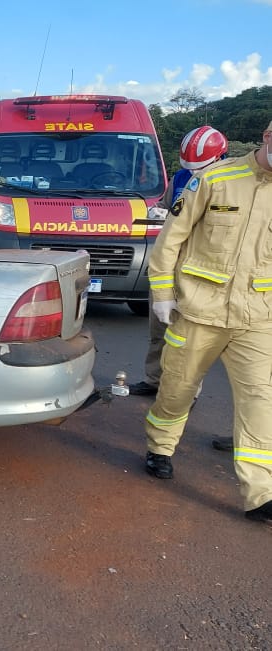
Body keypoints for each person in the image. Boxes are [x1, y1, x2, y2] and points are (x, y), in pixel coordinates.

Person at [142, 119, 272, 524]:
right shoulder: (216, 179)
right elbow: (171, 238)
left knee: (261, 400)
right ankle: (160, 447)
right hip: (199, 311)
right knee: (177, 389)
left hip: (258, 316)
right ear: (268, 136)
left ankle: (261, 493)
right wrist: (162, 294)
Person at [129, 126, 228, 397]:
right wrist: (160, 211)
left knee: (190, 337)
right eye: (190, 166)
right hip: (170, 262)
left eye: (200, 166)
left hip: (202, 269)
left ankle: (186, 392)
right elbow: (168, 205)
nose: (194, 171)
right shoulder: (182, 176)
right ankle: (154, 380)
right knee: (158, 328)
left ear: (220, 157)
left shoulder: (229, 184)